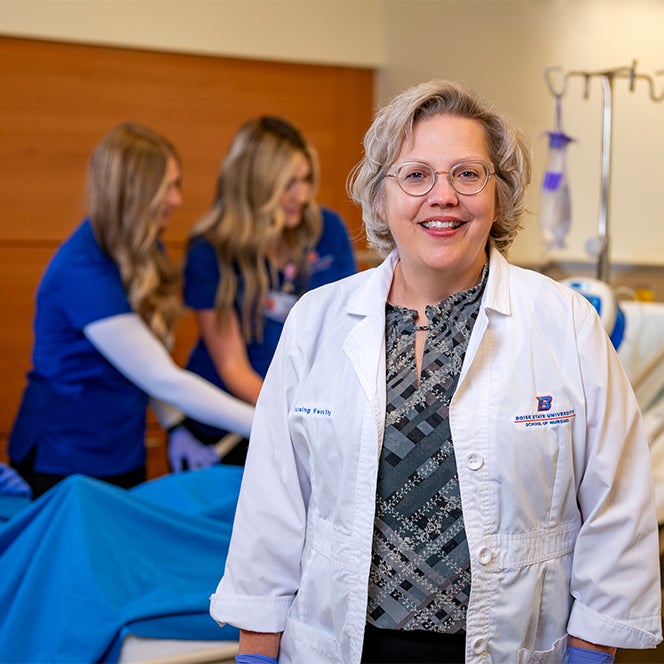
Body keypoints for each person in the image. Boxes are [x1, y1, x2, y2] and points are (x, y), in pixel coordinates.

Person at [208, 80, 662, 663]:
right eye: (416, 175)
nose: (442, 196)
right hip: (344, 642)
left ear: (498, 194)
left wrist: (593, 650)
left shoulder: (565, 322)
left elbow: (618, 500)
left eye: (467, 174)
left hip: (508, 642)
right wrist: (255, 648)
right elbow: (272, 501)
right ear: (379, 198)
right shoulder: (316, 321)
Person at [8, 122, 253, 499]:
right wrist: (267, 422)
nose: (177, 199)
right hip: (65, 461)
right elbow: (162, 377)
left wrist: (174, 427)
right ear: (134, 192)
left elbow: (145, 360)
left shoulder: (141, 249)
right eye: (167, 186)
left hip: (120, 450)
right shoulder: (83, 271)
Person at [175, 116, 356, 465]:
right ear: (255, 185)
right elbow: (232, 367)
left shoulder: (326, 230)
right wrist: (298, 414)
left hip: (304, 415)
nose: (302, 196)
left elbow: (343, 330)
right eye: (288, 183)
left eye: (305, 180)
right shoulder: (211, 250)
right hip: (229, 426)